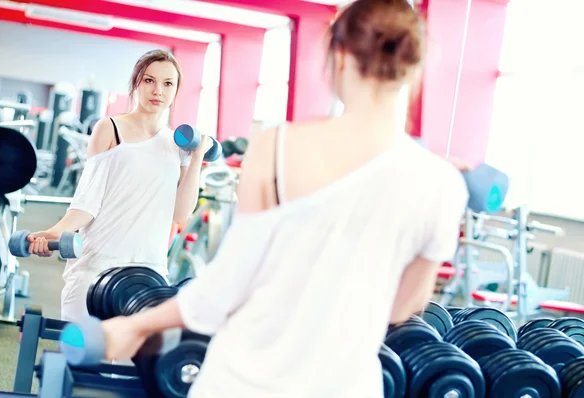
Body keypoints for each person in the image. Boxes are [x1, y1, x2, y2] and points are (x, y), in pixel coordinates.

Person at [100, 0, 469, 396]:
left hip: (244, 381)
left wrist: (136, 324)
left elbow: (225, 289)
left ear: (339, 55)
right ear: (413, 66)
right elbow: (402, 308)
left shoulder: (278, 147)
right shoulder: (443, 183)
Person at [27, 49, 213, 322]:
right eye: (149, 80)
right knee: (83, 361)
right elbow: (87, 203)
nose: (157, 90)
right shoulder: (110, 128)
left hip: (147, 272)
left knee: (128, 365)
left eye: (167, 83)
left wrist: (196, 159)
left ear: (175, 91)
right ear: (136, 83)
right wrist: (55, 232)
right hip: (97, 266)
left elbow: (180, 214)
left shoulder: (177, 144)